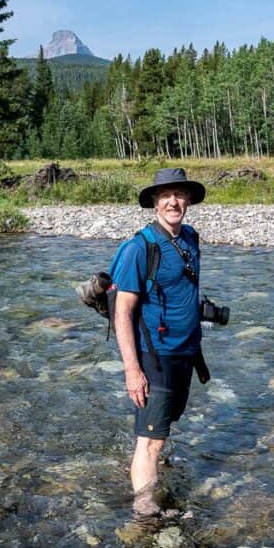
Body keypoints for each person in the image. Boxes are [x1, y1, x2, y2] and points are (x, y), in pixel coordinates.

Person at [112, 167, 206, 517]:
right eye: (165, 195)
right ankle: (144, 513)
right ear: (154, 202)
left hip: (185, 353)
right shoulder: (139, 248)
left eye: (179, 194)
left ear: (188, 200)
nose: (173, 201)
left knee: (159, 435)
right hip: (154, 355)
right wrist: (132, 370)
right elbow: (123, 312)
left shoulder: (190, 238)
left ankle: (143, 474)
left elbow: (181, 290)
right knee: (150, 442)